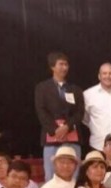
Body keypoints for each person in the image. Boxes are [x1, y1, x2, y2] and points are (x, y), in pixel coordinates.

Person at [34, 51, 84, 181]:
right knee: (51, 175)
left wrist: (67, 127)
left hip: (72, 135)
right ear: (52, 67)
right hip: (52, 136)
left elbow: (79, 112)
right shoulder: (42, 88)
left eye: (66, 64)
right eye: (61, 64)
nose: (64, 67)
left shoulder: (75, 89)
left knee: (74, 174)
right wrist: (55, 130)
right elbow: (41, 111)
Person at [83, 62, 111, 152]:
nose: (108, 76)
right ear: (99, 76)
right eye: (104, 73)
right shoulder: (88, 94)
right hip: (98, 146)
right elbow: (85, 118)